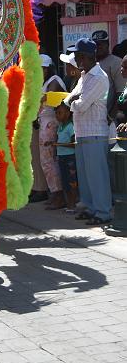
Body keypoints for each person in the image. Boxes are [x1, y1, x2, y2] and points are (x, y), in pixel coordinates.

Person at [64, 38, 112, 225]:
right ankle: (91, 208)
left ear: (85, 57)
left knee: (97, 175)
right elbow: (71, 98)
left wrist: (71, 101)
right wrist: (72, 100)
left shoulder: (99, 77)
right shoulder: (85, 76)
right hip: (83, 131)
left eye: (77, 56)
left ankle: (103, 212)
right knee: (85, 176)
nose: (76, 59)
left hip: (95, 132)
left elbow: (80, 104)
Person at [38, 54, 66, 209]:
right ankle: (55, 192)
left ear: (47, 69)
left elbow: (44, 99)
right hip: (45, 123)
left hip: (50, 124)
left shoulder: (54, 81)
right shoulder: (46, 82)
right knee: (47, 161)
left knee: (49, 160)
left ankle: (58, 194)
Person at [91, 30, 123, 118]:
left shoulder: (116, 62)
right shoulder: (90, 63)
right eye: (95, 45)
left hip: (109, 116)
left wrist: (110, 117)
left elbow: (121, 94)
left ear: (107, 45)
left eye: (101, 44)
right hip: (92, 117)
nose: (98, 47)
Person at [53, 103, 77, 212]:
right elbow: (58, 140)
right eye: (56, 113)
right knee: (65, 181)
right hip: (61, 157)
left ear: (67, 114)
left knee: (72, 181)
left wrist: (59, 145)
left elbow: (74, 144)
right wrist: (54, 146)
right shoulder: (60, 127)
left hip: (69, 158)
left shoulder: (71, 126)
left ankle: (72, 205)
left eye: (59, 113)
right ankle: (68, 204)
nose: (57, 115)